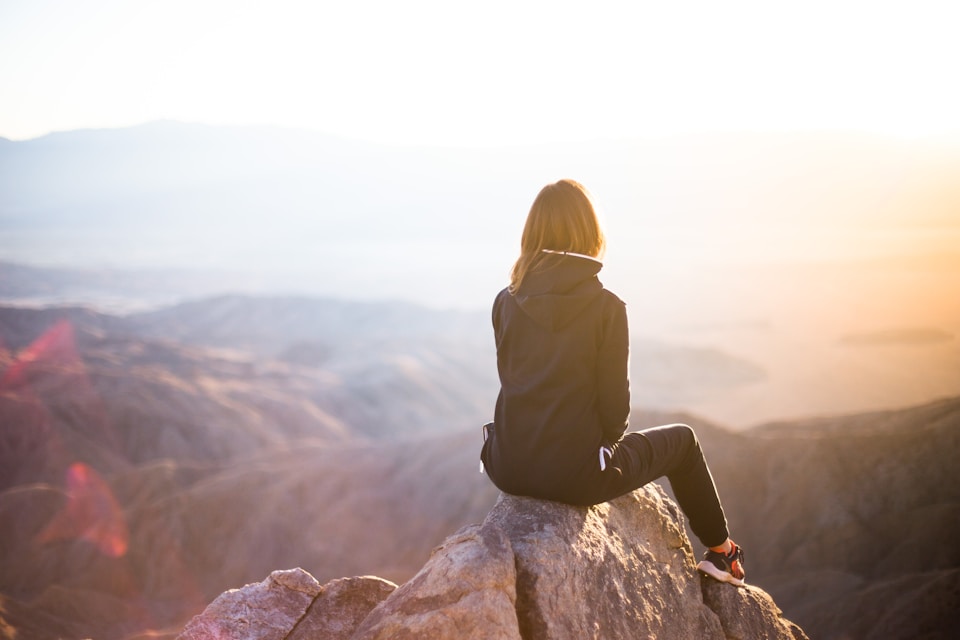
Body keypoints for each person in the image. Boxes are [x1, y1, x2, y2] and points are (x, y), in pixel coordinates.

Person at [479, 178, 745, 586]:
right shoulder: (606, 308)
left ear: (532, 233)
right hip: (577, 477)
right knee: (685, 442)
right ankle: (722, 552)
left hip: (506, 465)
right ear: (590, 233)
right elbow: (615, 414)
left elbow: (514, 381)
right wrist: (595, 453)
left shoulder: (505, 299)